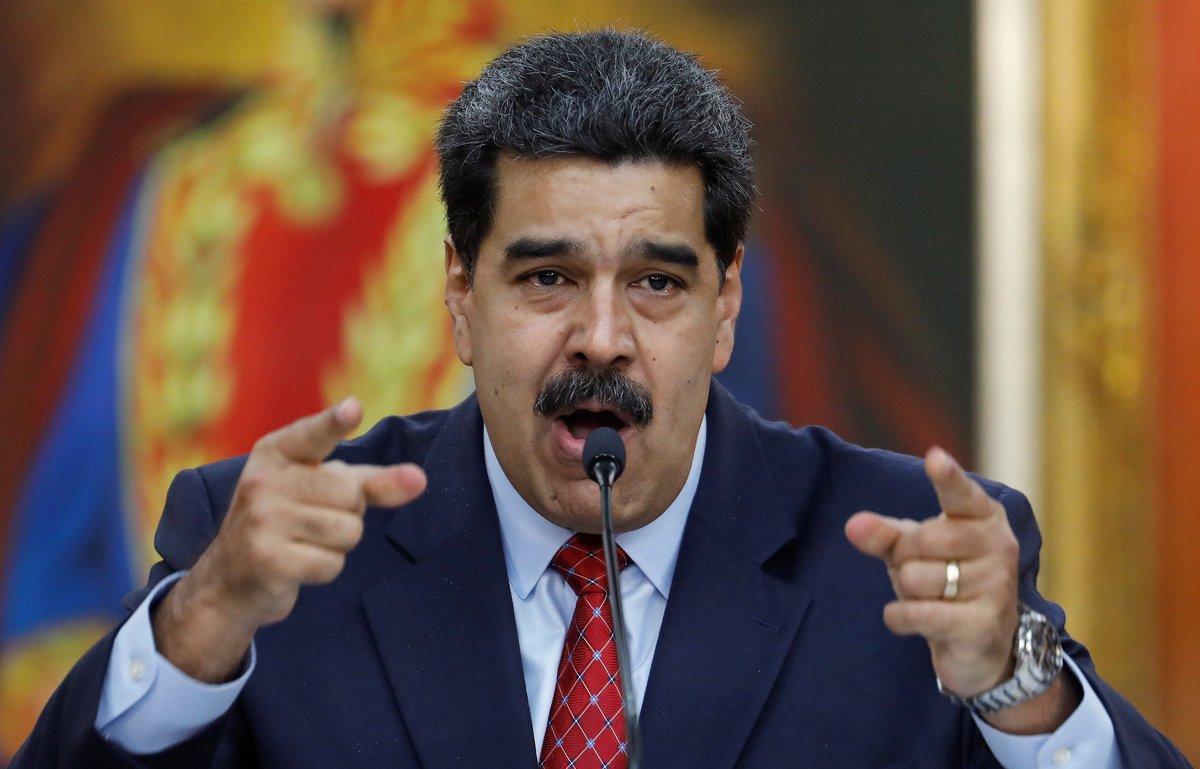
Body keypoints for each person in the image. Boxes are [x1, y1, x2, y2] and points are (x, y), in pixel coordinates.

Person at [12, 29, 1190, 769]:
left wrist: (1015, 687)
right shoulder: (284, 556)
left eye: (659, 283)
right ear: (461, 303)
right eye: (548, 277)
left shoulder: (900, 559)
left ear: (728, 309)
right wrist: (199, 624)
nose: (604, 338)